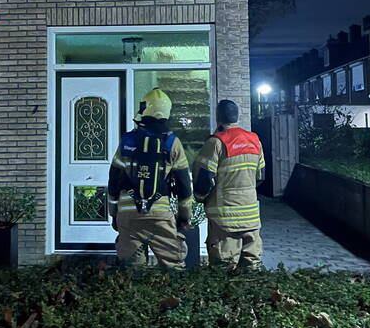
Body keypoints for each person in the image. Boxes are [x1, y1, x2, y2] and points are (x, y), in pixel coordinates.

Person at [107, 88, 193, 268]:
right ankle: (171, 295)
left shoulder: (128, 140)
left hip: (128, 213)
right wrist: (184, 216)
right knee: (173, 265)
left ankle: (136, 296)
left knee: (131, 268)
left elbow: (114, 179)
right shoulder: (172, 142)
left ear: (146, 109)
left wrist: (114, 212)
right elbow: (184, 184)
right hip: (159, 214)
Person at [193, 99, 265, 269]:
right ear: (237, 117)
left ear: (217, 117)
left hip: (224, 219)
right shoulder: (255, 140)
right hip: (251, 217)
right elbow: (261, 176)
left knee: (222, 267)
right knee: (251, 268)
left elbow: (204, 180)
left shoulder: (216, 142)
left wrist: (200, 198)